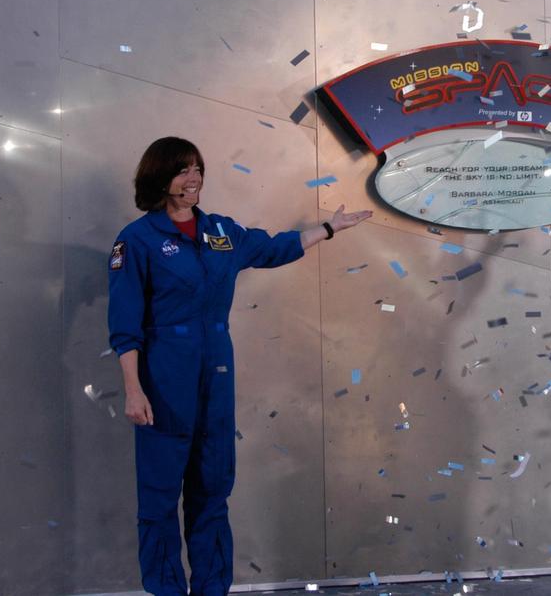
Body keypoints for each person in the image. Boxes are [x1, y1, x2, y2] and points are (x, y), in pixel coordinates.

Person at [108, 136, 371, 596]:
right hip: (164, 382)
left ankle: (213, 589)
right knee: (159, 497)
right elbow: (125, 323)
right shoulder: (137, 241)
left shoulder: (220, 232)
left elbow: (271, 248)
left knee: (212, 492)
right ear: (159, 177)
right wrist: (133, 389)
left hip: (216, 380)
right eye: (182, 170)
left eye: (197, 168)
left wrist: (327, 229)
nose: (193, 179)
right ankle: (166, 590)